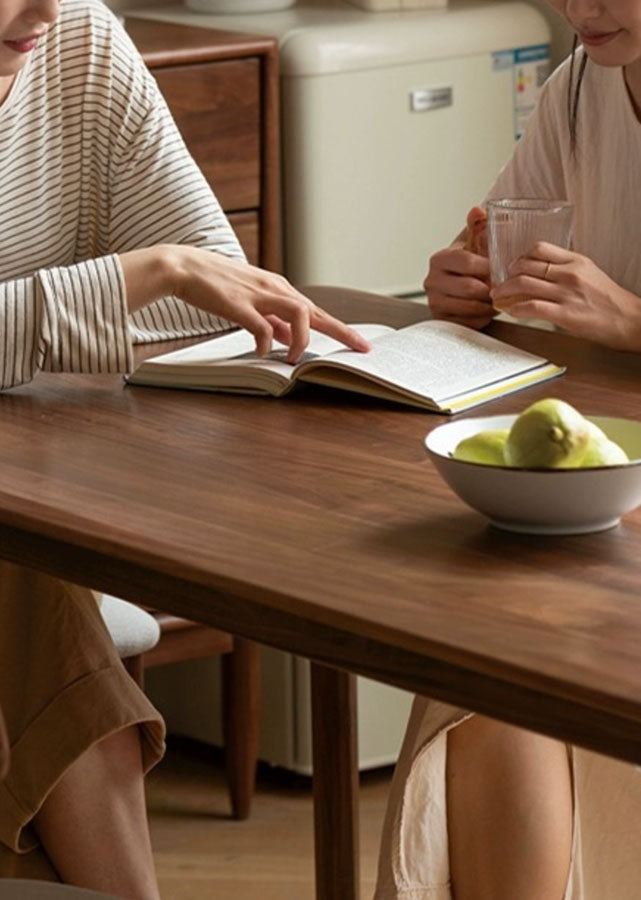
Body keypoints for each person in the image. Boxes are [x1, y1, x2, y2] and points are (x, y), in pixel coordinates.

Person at [0, 0, 370, 896]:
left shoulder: (76, 42)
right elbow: (164, 277)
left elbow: (209, 281)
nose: (47, 7)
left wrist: (125, 287)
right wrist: (134, 273)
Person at [374, 2, 641, 899]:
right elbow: (501, 243)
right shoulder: (579, 87)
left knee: (501, 690)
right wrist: (461, 285)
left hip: (600, 492)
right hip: (582, 475)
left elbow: (610, 315)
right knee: (491, 695)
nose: (579, 10)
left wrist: (632, 321)